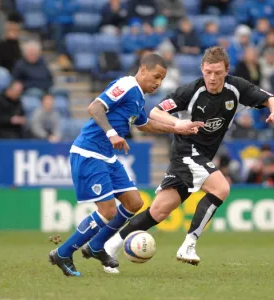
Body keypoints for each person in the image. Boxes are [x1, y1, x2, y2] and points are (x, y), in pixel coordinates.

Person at [104, 46, 274, 271]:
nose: (212, 78)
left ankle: (110, 245)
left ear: (226, 71)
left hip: (200, 156)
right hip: (186, 151)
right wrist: (177, 123)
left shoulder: (237, 87)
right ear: (202, 69)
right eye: (208, 72)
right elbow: (155, 111)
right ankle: (189, 245)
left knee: (159, 211)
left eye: (217, 73)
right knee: (221, 188)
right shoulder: (191, 91)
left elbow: (269, 98)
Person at [48, 53, 204, 277]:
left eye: (162, 79)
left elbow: (145, 125)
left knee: (134, 202)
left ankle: (95, 246)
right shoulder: (126, 85)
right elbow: (95, 108)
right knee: (108, 211)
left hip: (107, 156)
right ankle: (63, 253)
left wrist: (177, 128)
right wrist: (112, 134)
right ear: (142, 70)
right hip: (89, 152)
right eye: (156, 76)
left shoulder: (139, 97)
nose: (158, 83)